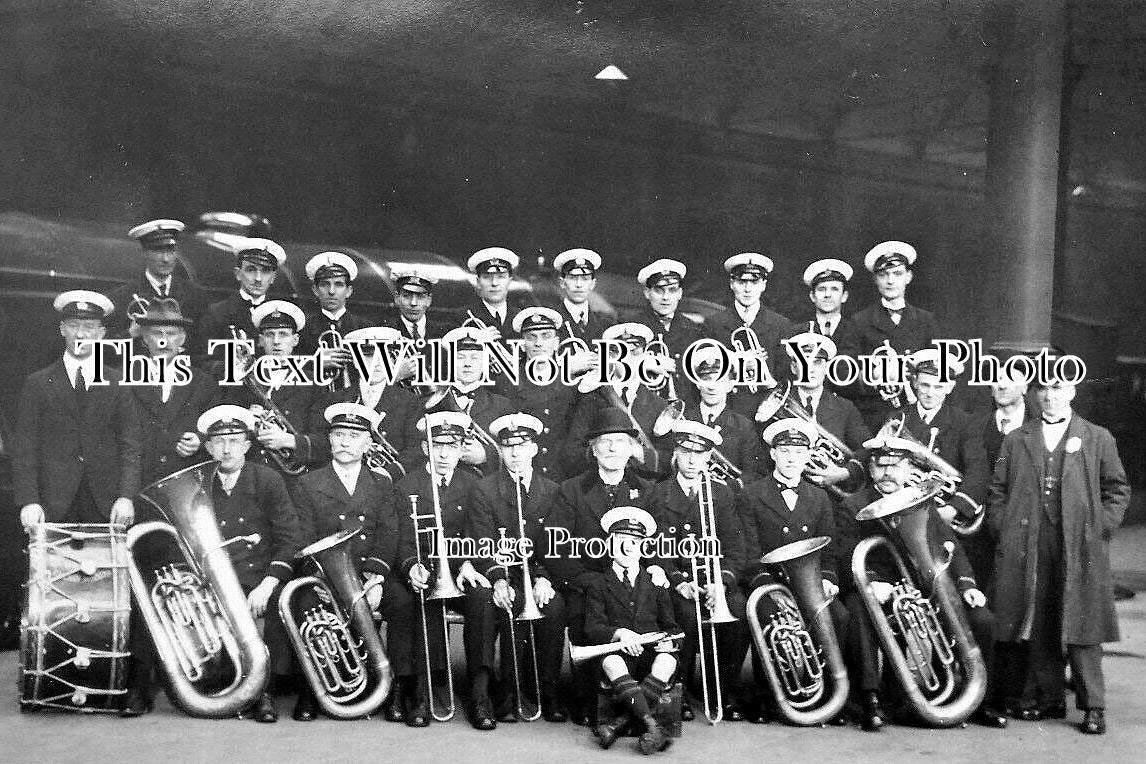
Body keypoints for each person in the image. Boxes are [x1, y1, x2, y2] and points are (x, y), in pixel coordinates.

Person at [988, 375, 1130, 734]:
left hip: (1079, 544)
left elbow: (1117, 489)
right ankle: (1047, 698)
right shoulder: (1016, 438)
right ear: (1036, 394)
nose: (1050, 396)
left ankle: (1093, 706)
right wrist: (1003, 527)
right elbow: (998, 490)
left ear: (1072, 392)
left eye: (1058, 388)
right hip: (1028, 541)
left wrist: (1099, 527)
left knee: (1083, 624)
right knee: (1038, 618)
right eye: (1044, 389)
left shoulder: (1097, 437)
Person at [837, 433, 1007, 730]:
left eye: (895, 466)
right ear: (871, 469)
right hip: (877, 589)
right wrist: (872, 583)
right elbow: (845, 553)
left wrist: (967, 586)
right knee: (858, 611)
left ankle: (980, 702)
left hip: (923, 588)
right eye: (881, 466)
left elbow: (951, 546)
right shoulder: (853, 505)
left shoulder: (921, 500)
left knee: (983, 621)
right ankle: (870, 698)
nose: (888, 473)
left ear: (908, 469)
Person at [289, 402, 410, 722]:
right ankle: (312, 689)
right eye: (339, 435)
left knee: (403, 602)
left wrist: (376, 577)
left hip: (369, 572)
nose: (344, 442)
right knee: (306, 603)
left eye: (354, 436)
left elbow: (389, 532)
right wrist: (321, 578)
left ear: (368, 444)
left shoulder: (382, 483)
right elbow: (303, 538)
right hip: (326, 574)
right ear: (329, 440)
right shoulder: (307, 483)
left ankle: (395, 687)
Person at [548, 407, 666, 726]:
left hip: (633, 584)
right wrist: (587, 581)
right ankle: (589, 700)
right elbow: (555, 547)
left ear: (632, 448)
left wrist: (656, 568)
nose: (613, 448)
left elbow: (659, 543)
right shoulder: (571, 489)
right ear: (593, 448)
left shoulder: (648, 490)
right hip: (587, 583)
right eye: (605, 441)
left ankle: (644, 698)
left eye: (620, 441)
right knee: (582, 614)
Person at [738, 418, 849, 725]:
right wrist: (768, 588)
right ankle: (770, 697)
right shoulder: (751, 494)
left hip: (810, 583)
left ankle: (829, 697)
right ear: (773, 453)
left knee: (839, 617)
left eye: (798, 452)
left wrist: (828, 579)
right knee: (769, 617)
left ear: (808, 455)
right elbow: (749, 553)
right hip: (770, 584)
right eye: (785, 451)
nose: (791, 458)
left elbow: (829, 549)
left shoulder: (820, 497)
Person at [196, 404, 304, 723]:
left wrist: (269, 584)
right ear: (208, 447)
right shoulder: (198, 482)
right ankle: (226, 680)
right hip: (216, 576)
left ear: (246, 445)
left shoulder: (268, 479)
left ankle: (263, 690)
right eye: (219, 442)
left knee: (275, 604)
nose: (227, 449)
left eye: (234, 441)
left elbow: (289, 538)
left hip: (260, 574)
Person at [468, 413, 568, 722]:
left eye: (522, 446)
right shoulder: (484, 489)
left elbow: (555, 544)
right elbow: (481, 541)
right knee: (492, 603)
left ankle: (546, 690)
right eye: (508, 447)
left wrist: (543, 578)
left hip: (536, 573)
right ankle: (493, 695)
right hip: (498, 572)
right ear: (500, 451)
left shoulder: (552, 490)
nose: (515, 453)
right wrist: (498, 579)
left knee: (554, 607)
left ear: (534, 449)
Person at [396, 411, 490, 729]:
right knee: (424, 603)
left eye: (452, 446)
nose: (444, 454)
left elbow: (479, 532)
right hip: (425, 569)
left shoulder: (473, 483)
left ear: (462, 449)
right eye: (437, 446)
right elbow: (402, 539)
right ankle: (421, 694)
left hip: (462, 569)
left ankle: (480, 695)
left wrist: (469, 562)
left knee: (483, 599)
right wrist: (412, 566)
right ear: (426, 448)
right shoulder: (407, 485)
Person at [15, 290, 140, 529]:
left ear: (101, 333)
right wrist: (29, 501)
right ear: (62, 329)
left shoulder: (118, 383)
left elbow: (130, 444)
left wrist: (126, 497)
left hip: (107, 504)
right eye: (73, 325)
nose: (80, 334)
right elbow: (25, 447)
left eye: (89, 327)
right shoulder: (38, 383)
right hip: (51, 505)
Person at [649, 419, 748, 722]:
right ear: (675, 454)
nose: (692, 460)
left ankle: (722, 692)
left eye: (699, 454)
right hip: (677, 581)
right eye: (685, 452)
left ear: (709, 457)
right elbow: (655, 547)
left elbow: (735, 547)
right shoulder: (658, 493)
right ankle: (677, 689)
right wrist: (679, 581)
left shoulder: (723, 494)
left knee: (738, 610)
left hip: (714, 580)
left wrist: (723, 583)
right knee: (685, 615)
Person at [584, 506, 679, 754]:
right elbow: (592, 628)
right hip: (619, 655)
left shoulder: (656, 582)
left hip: (650, 656)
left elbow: (672, 627)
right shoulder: (598, 583)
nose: (628, 548)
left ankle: (617, 725)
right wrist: (620, 633)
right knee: (611, 662)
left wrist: (669, 642)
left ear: (643, 547)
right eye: (621, 541)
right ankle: (653, 727)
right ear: (610, 545)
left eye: (635, 542)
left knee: (668, 661)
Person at [228, 300, 332, 477]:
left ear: (295, 340)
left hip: (294, 478)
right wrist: (246, 421)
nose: (276, 341)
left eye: (283, 334)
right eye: (270, 335)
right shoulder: (242, 380)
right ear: (261, 341)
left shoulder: (314, 382)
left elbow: (325, 442)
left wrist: (289, 440)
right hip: (251, 472)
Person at [894, 348, 989, 534]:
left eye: (938, 387)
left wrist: (954, 508)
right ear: (914, 382)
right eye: (925, 385)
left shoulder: (965, 423)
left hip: (945, 513)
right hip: (902, 513)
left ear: (950, 387)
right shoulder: (898, 418)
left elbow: (979, 471)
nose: (930, 393)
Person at [849, 241, 942, 429]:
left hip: (916, 416)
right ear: (876, 280)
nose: (890, 281)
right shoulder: (860, 321)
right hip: (874, 417)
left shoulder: (926, 320)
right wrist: (876, 374)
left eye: (897, 274)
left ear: (908, 277)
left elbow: (940, 370)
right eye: (883, 275)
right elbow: (843, 373)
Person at [130, 298, 220, 485]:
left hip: (185, 484)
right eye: (157, 333)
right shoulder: (124, 380)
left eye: (171, 334)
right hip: (138, 482)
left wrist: (200, 440)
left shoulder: (203, 383)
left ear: (182, 338)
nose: (164, 341)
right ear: (145, 338)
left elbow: (216, 427)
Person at [563, 322, 671, 478]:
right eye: (622, 354)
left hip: (644, 489)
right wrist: (602, 452)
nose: (629, 361)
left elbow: (668, 462)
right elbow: (571, 456)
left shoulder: (658, 405)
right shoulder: (591, 400)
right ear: (610, 357)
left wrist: (639, 453)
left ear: (645, 356)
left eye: (635, 353)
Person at [768, 331, 870, 496]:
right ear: (794, 368)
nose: (811, 369)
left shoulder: (845, 407)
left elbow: (866, 449)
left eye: (817, 362)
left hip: (831, 499)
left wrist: (843, 473)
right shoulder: (776, 406)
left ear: (827, 368)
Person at [706, 252, 798, 418]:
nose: (748, 289)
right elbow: (706, 370)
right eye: (741, 282)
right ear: (732, 284)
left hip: (766, 411)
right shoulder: (714, 323)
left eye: (754, 282)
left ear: (763, 285)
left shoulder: (781, 324)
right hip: (728, 411)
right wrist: (738, 362)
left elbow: (786, 375)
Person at [503, 306, 586, 480]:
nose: (538, 343)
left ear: (556, 343)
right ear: (522, 345)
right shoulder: (507, 383)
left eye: (546, 336)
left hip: (564, 477)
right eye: (531, 337)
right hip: (525, 477)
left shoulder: (574, 383)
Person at [341, 326, 424, 475]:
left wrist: (388, 475)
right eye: (369, 357)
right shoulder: (337, 400)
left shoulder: (411, 402)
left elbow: (416, 451)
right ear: (355, 361)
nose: (377, 363)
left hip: (392, 482)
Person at [110, 219, 206, 344]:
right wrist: (130, 334)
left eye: (170, 251)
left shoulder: (196, 295)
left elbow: (203, 343)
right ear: (144, 253)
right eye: (158, 251)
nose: (165, 259)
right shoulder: (123, 298)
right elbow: (105, 348)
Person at [195, 238, 287, 366]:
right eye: (251, 270)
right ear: (238, 274)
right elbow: (203, 362)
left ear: (273, 278)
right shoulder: (217, 313)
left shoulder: (283, 314)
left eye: (265, 271)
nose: (258, 278)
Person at [683, 342, 766, 486]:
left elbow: (755, 472)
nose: (712, 387)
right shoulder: (685, 421)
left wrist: (731, 488)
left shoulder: (743, 426)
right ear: (698, 384)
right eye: (706, 380)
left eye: (720, 380)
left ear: (730, 385)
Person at [628, 258, 705, 406]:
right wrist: (642, 364)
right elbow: (616, 369)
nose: (665, 297)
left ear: (680, 293)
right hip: (645, 408)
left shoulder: (694, 329)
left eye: (672, 290)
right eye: (658, 290)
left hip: (686, 408)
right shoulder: (631, 327)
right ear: (647, 292)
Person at [439, 326, 514, 477]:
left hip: (486, 485)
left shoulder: (502, 405)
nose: (467, 364)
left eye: (474, 358)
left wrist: (486, 455)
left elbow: (515, 451)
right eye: (460, 357)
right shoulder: (433, 404)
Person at [298, 251, 371, 392]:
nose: (331, 291)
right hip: (315, 398)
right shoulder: (303, 327)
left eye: (338, 284)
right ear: (315, 290)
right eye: (325, 284)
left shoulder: (364, 327)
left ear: (349, 291)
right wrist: (315, 363)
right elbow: (288, 367)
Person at [800, 258, 859, 396]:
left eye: (834, 289)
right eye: (822, 289)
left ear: (844, 296)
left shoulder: (857, 330)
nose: (827, 295)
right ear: (812, 296)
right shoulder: (799, 332)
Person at [551, 248, 610, 343]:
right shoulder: (552, 322)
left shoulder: (605, 323)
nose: (579, 284)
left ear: (592, 284)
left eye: (585, 278)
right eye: (572, 278)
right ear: (562, 283)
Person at [464, 247, 522, 340]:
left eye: (501, 277)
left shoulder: (521, 317)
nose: (494, 283)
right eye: (487, 277)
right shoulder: (464, 317)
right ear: (478, 282)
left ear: (510, 281)